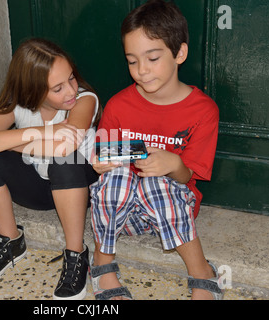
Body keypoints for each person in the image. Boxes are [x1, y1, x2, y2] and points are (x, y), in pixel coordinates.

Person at [89, 0, 222, 300]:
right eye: (132, 61)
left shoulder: (203, 110)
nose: (142, 70)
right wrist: (104, 160)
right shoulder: (119, 105)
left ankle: (201, 271)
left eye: (152, 58)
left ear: (180, 53)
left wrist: (172, 163)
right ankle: (102, 264)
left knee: (156, 182)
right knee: (118, 178)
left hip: (172, 210)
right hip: (124, 216)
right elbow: (101, 156)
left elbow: (190, 175)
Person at [0, 38, 101, 300]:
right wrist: (40, 132)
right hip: (38, 189)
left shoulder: (86, 100)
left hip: (76, 188)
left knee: (64, 160)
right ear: (33, 90)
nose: (71, 91)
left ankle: (76, 254)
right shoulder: (18, 105)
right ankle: (11, 241)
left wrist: (9, 142)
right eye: (58, 88)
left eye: (71, 78)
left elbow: (63, 148)